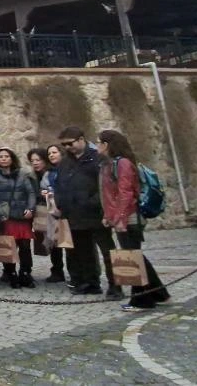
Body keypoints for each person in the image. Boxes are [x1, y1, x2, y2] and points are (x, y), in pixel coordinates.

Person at [98, 130, 171, 311]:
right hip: (121, 217)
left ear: (107, 144)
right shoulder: (110, 164)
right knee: (136, 256)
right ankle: (159, 293)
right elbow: (109, 195)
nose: (97, 146)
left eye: (99, 142)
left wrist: (120, 219)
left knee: (132, 258)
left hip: (129, 218)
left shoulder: (122, 164)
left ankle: (142, 300)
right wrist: (109, 216)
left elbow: (126, 193)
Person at [55, 126, 121, 299]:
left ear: (81, 140)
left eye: (70, 143)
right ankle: (90, 283)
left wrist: (92, 203)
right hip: (73, 215)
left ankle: (116, 285)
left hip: (96, 214)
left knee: (108, 252)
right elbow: (60, 185)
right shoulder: (64, 163)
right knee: (83, 252)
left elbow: (105, 186)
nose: (67, 147)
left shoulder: (98, 159)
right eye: (64, 145)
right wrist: (60, 203)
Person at [0, 147, 37, 288]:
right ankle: (11, 273)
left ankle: (25, 273)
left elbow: (31, 192)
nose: (4, 158)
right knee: (8, 246)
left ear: (12, 158)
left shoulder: (22, 175)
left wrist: (30, 208)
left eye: (6, 156)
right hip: (6, 217)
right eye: (1, 156)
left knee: (25, 247)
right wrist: (0, 212)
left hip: (22, 215)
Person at [41, 144, 67, 283]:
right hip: (53, 211)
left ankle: (77, 273)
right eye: (49, 153)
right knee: (54, 242)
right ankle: (57, 271)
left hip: (69, 211)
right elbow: (44, 187)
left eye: (54, 152)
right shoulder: (48, 173)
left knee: (69, 243)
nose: (51, 155)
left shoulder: (69, 169)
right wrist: (45, 192)